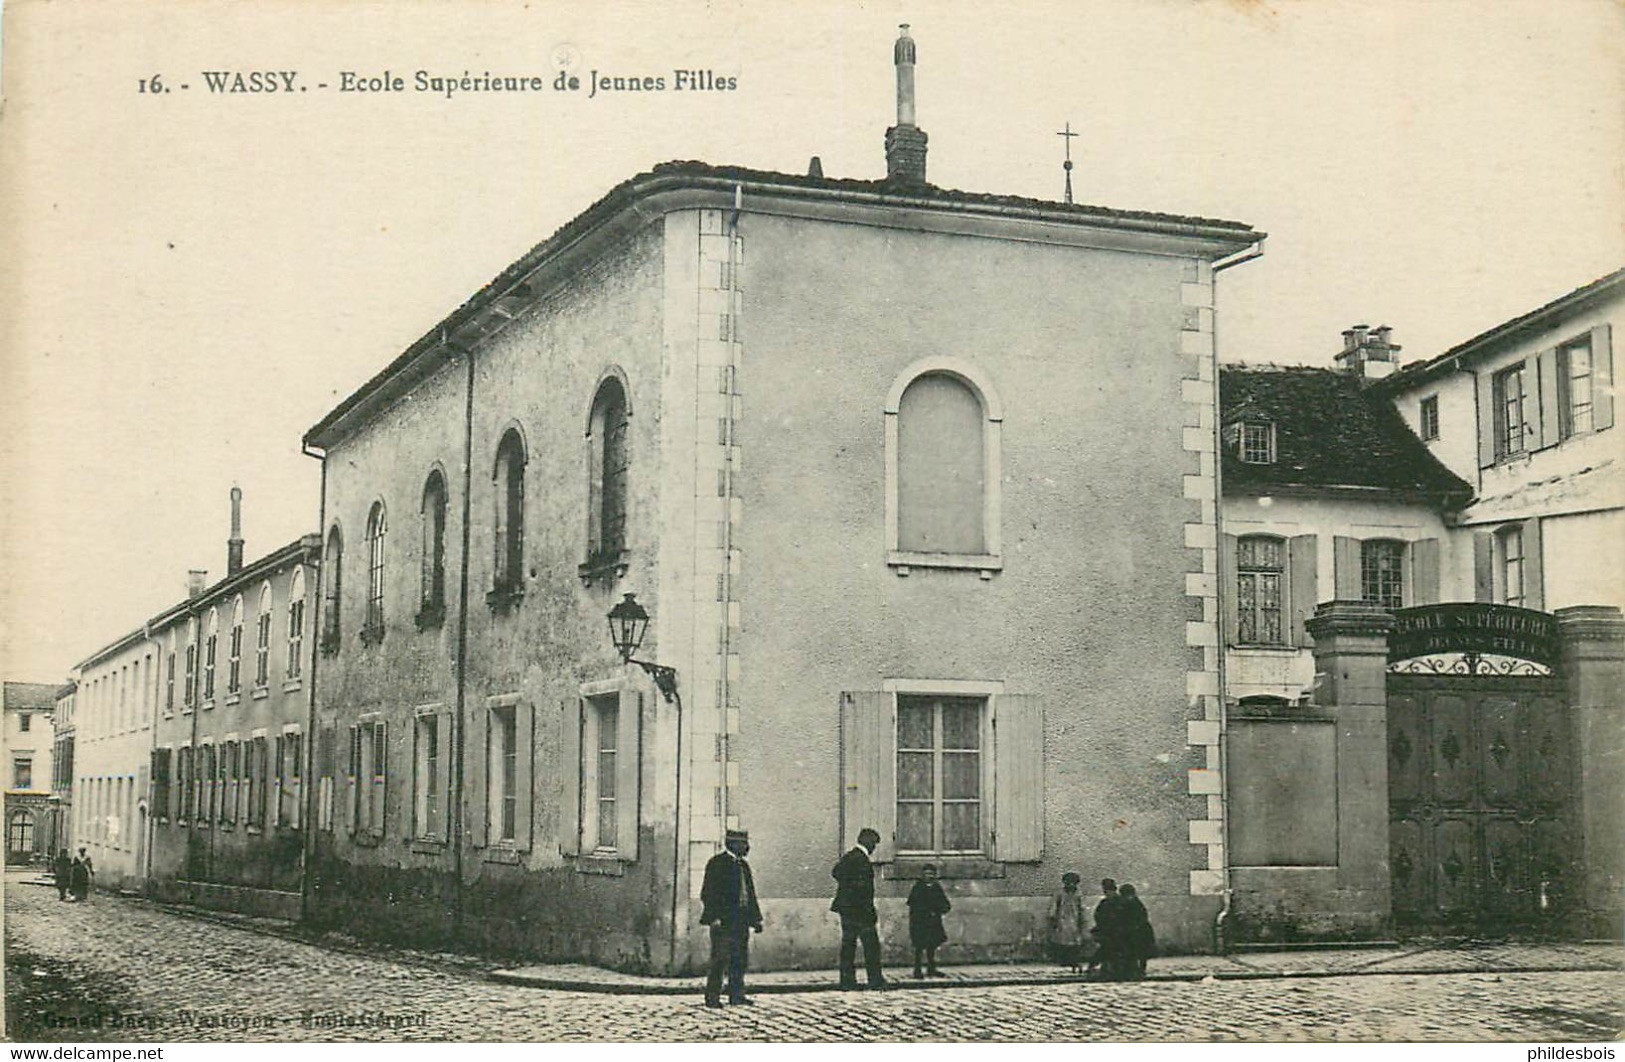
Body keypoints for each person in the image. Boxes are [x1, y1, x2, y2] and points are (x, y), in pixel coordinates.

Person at [699, 828, 763, 1007]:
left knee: (739, 959)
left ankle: (736, 995)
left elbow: (749, 894)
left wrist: (756, 919)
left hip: (741, 920)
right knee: (720, 959)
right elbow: (708, 893)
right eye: (743, 843)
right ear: (732, 844)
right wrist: (714, 918)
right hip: (724, 921)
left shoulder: (743, 866)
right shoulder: (717, 863)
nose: (746, 847)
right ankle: (712, 997)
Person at [831, 827, 887, 989]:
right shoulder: (860, 859)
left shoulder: (850, 857)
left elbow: (836, 872)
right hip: (860, 911)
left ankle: (847, 980)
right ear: (868, 842)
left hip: (848, 910)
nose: (874, 848)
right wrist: (855, 891)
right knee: (871, 946)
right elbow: (863, 889)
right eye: (874, 844)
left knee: (848, 945)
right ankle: (875, 980)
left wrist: (847, 890)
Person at [905, 864, 951, 979]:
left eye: (931, 874)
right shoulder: (918, 887)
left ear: (935, 875)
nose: (929, 876)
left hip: (934, 922)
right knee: (919, 947)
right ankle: (917, 970)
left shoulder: (936, 887)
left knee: (932, 946)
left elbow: (945, 904)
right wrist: (924, 912)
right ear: (922, 875)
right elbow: (913, 904)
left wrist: (939, 910)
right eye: (926, 874)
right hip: (920, 922)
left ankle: (931, 968)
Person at [1047, 871, 1088, 974]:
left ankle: (1073, 960)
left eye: (1073, 882)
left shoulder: (1078, 893)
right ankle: (1064, 960)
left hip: (1074, 919)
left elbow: (1082, 908)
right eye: (1068, 882)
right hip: (1062, 919)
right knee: (1062, 940)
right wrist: (1053, 918)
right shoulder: (1059, 893)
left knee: (1075, 941)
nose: (1070, 884)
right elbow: (1054, 906)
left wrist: (1082, 920)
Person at [1116, 883, 1155, 981]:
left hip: (1139, 933)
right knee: (1135, 953)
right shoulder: (1131, 904)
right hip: (1136, 933)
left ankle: (1140, 970)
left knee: (1140, 953)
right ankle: (1136, 970)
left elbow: (1139, 919)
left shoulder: (1135, 904)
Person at [1087, 877, 1122, 981]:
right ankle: (1103, 967)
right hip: (1107, 931)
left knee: (1109, 950)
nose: (1107, 893)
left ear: (1114, 890)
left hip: (1117, 931)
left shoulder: (1119, 902)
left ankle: (1107, 967)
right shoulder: (1104, 903)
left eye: (1109, 891)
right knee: (1106, 950)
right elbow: (1098, 916)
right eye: (1106, 891)